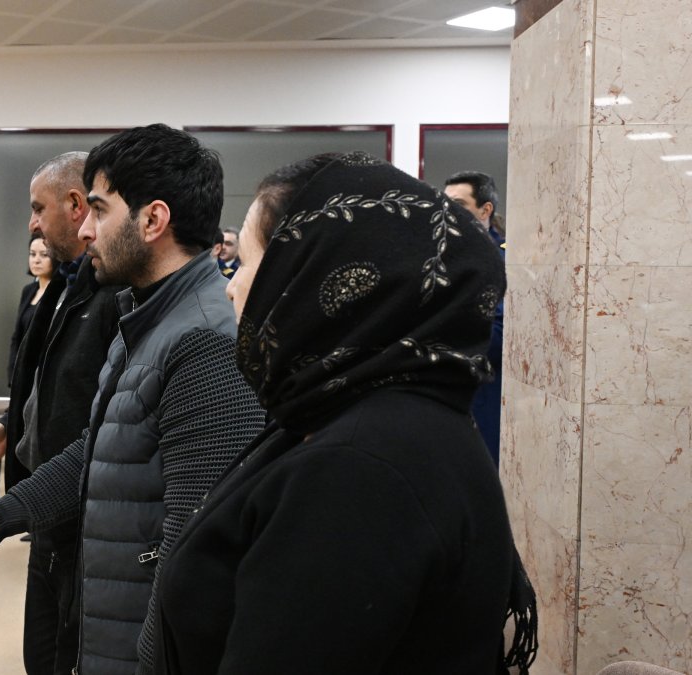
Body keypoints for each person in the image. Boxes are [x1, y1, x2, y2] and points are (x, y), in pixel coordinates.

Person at [153, 152, 536, 674]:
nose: (231, 285)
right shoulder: (375, 412)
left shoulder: (358, 470)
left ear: (308, 275)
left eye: (246, 262)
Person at [0, 125, 267, 675]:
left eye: (99, 210)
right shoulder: (145, 318)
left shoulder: (204, 341)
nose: (86, 230)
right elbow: (95, 453)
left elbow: (196, 552)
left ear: (152, 220)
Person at [0, 151, 124, 675]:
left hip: (81, 523)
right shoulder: (67, 287)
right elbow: (53, 386)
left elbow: (102, 429)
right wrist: (12, 429)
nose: (31, 223)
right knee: (41, 656)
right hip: (47, 515)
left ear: (75, 205)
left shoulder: (114, 295)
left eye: (37, 208)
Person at [444, 170, 505, 464]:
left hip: (487, 395)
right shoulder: (441, 258)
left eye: (459, 204)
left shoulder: (505, 262)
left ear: (485, 209)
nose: (449, 212)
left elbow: (500, 339)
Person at [7, 232, 54, 388]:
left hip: (42, 373)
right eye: (32, 254)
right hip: (22, 370)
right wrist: (12, 371)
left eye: (44, 255)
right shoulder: (28, 290)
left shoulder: (59, 292)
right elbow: (17, 336)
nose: (36, 260)